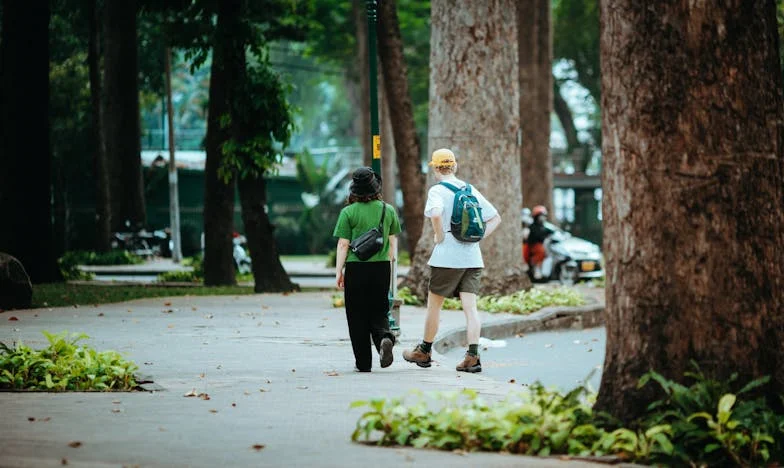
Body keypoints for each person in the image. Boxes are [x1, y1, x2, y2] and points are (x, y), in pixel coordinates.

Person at [402, 149, 502, 373]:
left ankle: (424, 351)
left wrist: (439, 236)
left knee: (434, 306)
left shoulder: (437, 190)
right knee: (471, 309)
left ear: (436, 169)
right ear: (454, 166)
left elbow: (436, 214)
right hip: (472, 257)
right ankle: (473, 357)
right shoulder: (469, 189)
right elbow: (496, 217)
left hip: (447, 257)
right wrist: (478, 239)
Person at [333, 167, 401, 372]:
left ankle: (363, 363)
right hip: (381, 268)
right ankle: (384, 339)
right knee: (379, 310)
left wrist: (339, 271)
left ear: (354, 190)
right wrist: (388, 262)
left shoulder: (348, 212)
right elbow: (392, 243)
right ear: (375, 187)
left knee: (357, 316)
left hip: (356, 268)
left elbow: (343, 244)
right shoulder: (387, 210)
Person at [526, 205, 554, 280]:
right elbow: (537, 235)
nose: (542, 218)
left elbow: (551, 231)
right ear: (536, 217)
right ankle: (537, 269)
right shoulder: (533, 227)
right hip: (534, 248)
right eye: (541, 216)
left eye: (544, 216)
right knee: (540, 251)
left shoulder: (544, 226)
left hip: (543, 247)